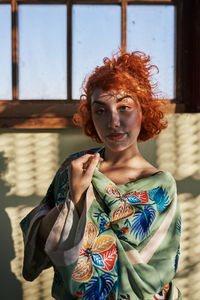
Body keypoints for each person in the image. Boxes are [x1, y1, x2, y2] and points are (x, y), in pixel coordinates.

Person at [20, 51, 182, 300]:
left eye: (124, 107)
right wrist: (74, 198)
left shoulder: (161, 185)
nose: (113, 121)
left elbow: (154, 270)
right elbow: (39, 240)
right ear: (91, 117)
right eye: (100, 111)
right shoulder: (74, 169)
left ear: (144, 111)